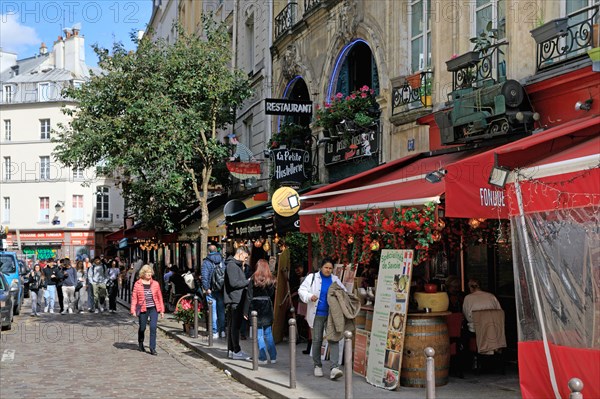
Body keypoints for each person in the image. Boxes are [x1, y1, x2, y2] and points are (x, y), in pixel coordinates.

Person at [298, 258, 346, 380]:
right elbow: (301, 290)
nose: (328, 270)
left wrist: (339, 294)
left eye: (330, 268)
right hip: (317, 314)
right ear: (321, 267)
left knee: (334, 339)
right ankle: (317, 365)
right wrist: (309, 296)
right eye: (326, 267)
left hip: (331, 315)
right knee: (317, 340)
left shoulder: (335, 279)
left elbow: (343, 292)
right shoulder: (312, 278)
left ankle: (334, 368)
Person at [246, 259, 277, 365]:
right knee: (268, 333)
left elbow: (249, 296)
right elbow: (272, 294)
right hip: (267, 307)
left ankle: (262, 357)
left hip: (256, 307)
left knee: (259, 335)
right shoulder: (271, 279)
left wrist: (246, 311)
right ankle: (273, 357)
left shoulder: (253, 279)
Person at [130, 264, 164, 355]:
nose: (149, 274)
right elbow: (134, 298)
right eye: (147, 273)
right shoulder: (137, 284)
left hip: (153, 308)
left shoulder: (155, 284)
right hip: (143, 308)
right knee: (142, 328)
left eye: (150, 272)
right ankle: (140, 343)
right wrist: (133, 310)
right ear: (143, 274)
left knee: (153, 327)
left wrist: (161, 310)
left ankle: (152, 348)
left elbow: (159, 297)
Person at [224, 246, 251, 360]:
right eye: (245, 257)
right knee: (235, 326)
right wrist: (247, 282)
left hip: (235, 298)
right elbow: (234, 283)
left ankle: (232, 350)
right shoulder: (232, 265)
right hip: (235, 299)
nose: (245, 260)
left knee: (232, 326)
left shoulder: (235, 265)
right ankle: (236, 350)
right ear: (240, 254)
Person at [201, 244, 225, 339]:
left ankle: (215, 331)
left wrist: (206, 288)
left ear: (209, 251)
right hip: (221, 289)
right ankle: (222, 331)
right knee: (221, 311)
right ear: (217, 250)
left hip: (211, 290)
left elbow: (204, 276)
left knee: (213, 311)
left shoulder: (206, 262)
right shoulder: (222, 260)